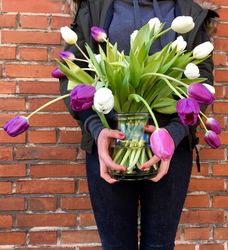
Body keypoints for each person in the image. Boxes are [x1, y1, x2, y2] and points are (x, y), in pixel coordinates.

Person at [60, 0, 218, 249]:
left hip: (171, 150)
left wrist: (172, 134)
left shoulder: (189, 12)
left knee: (160, 246)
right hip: (110, 147)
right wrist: (97, 130)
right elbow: (73, 75)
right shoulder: (95, 7)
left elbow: (203, 81)